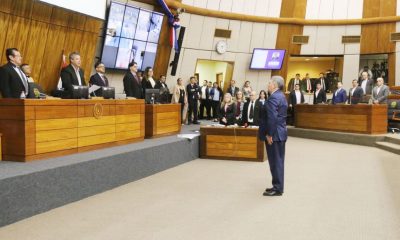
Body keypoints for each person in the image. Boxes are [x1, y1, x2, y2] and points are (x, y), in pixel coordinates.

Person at [259, 76, 287, 197]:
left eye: (269, 82)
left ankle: (278, 188)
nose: (268, 84)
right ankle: (277, 185)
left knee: (275, 162)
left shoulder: (273, 98)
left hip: (274, 135)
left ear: (275, 85)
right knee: (278, 161)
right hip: (280, 133)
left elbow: (272, 118)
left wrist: (269, 134)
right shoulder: (281, 96)